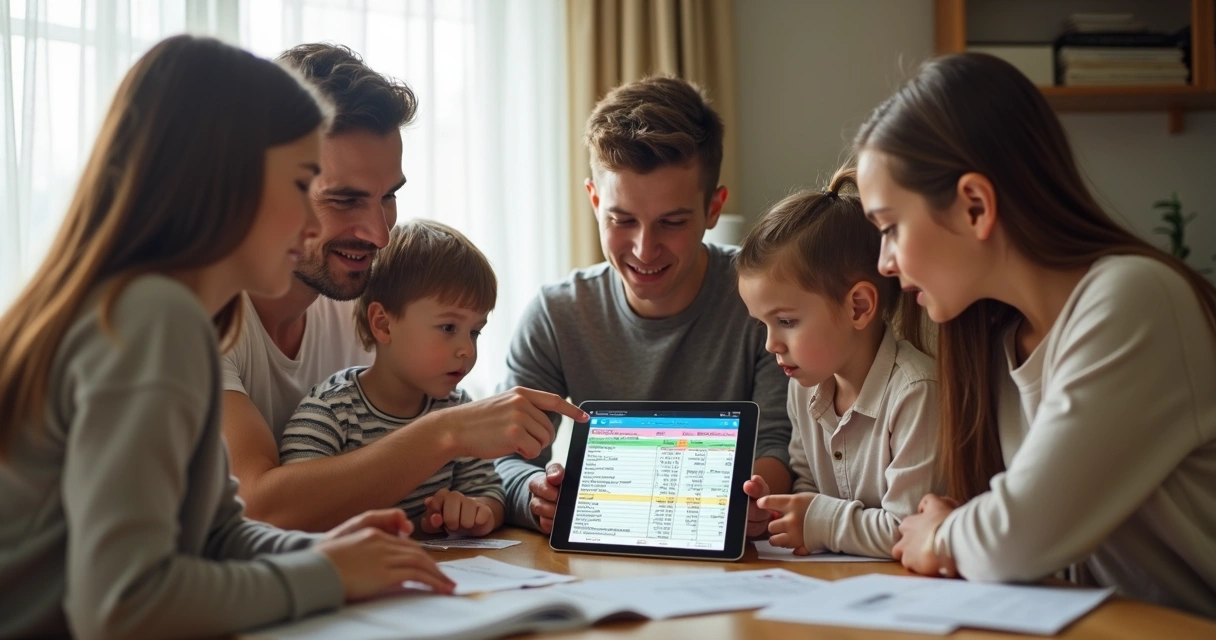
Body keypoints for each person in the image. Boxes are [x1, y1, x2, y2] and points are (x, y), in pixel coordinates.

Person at [0, 36, 453, 640]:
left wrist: (316, 552)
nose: (312, 223)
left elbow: (216, 533)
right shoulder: (150, 318)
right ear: (221, 184)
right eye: (301, 186)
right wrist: (326, 575)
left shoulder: (184, 314)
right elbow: (122, 607)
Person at [855, 52, 1216, 617]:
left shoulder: (1136, 298)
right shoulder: (996, 339)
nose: (884, 262)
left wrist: (945, 534)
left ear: (975, 205)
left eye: (891, 227)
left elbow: (1015, 536)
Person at [221, 44, 586, 532]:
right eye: (345, 199)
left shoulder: (356, 296)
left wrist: (517, 494)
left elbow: (475, 468)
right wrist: (448, 432)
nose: (379, 233)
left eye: (389, 196)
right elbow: (260, 506)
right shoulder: (198, 313)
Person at [496, 76, 793, 534]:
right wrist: (537, 496)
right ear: (595, 202)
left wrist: (755, 499)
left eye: (671, 222)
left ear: (714, 209)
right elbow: (506, 460)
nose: (644, 248)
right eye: (622, 219)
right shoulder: (557, 315)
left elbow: (778, 445)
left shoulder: (764, 306)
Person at [737, 167, 941, 559]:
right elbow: (807, 486)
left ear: (858, 307)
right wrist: (775, 511)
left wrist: (816, 521)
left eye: (786, 322)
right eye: (763, 324)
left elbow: (910, 530)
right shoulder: (803, 389)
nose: (771, 344)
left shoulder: (916, 393)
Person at [280, 221, 506, 537]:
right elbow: (296, 510)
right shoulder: (332, 411)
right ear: (384, 324)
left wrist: (477, 511)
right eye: (448, 328)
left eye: (475, 332)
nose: (467, 349)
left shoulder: (457, 409)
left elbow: (490, 492)